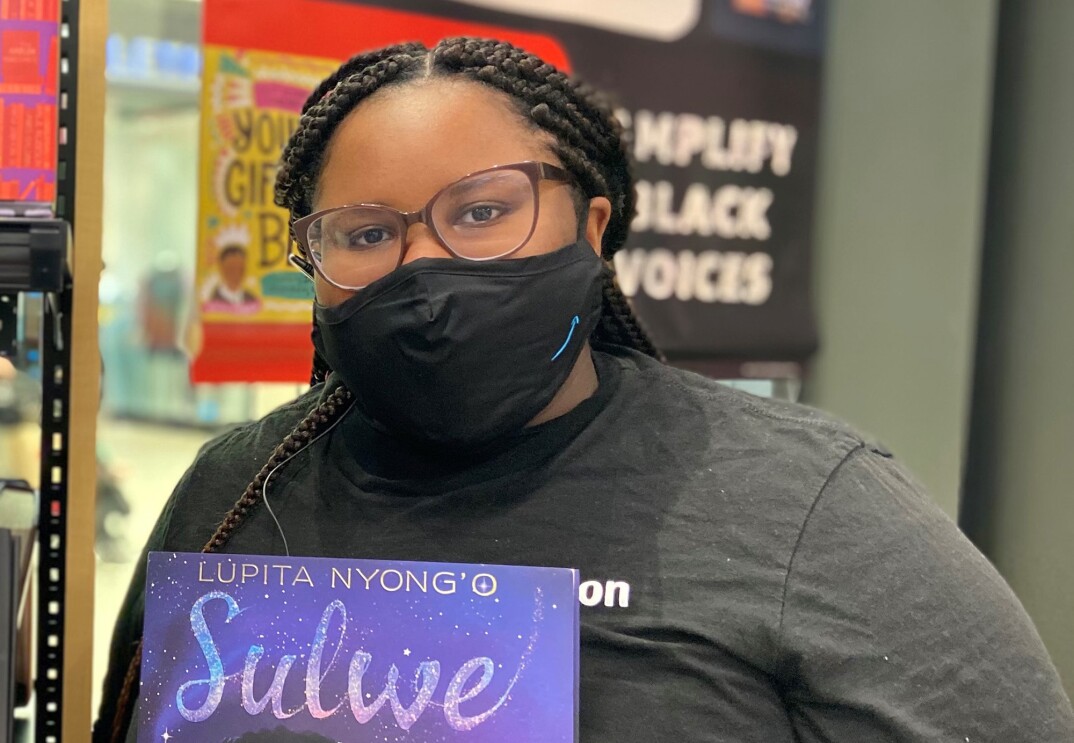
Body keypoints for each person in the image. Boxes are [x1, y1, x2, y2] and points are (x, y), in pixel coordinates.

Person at [95, 37, 1074, 743]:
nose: (424, 270)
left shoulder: (807, 505)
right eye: (366, 233)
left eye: (482, 212)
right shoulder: (236, 489)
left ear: (593, 226)